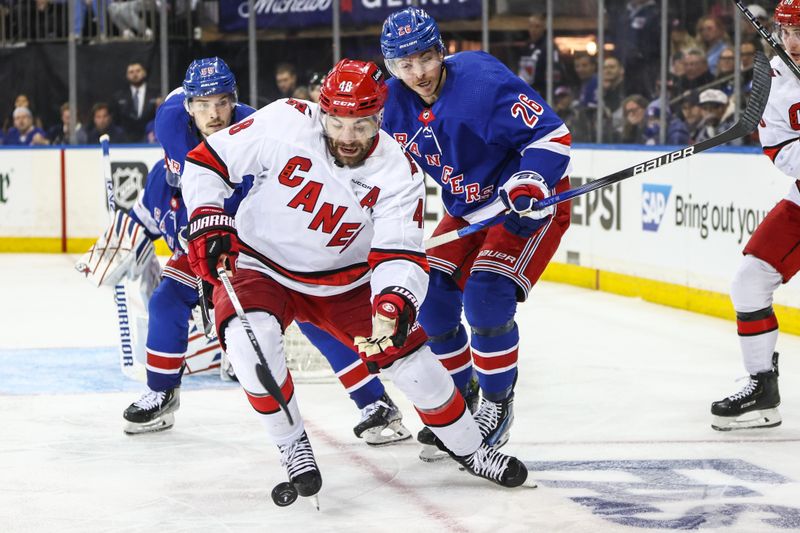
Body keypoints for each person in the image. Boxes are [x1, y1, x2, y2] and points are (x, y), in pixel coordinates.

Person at [181, 59, 529, 500]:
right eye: (337, 123)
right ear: (320, 111)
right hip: (259, 264)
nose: (347, 137)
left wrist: (392, 303)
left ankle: (473, 450)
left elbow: (399, 252)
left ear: (379, 118)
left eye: (361, 125)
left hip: (346, 284)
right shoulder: (285, 120)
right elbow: (206, 163)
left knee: (419, 371)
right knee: (252, 351)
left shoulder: (398, 172)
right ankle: (293, 448)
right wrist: (208, 216)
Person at [83, 58, 409, 444]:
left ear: (234, 100)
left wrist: (220, 245)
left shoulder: (255, 126)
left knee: (311, 315)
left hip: (257, 236)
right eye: (202, 104)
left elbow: (262, 201)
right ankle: (161, 392)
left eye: (222, 102)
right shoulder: (170, 124)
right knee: (167, 298)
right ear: (188, 106)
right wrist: (126, 239)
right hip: (204, 235)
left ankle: (374, 402)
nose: (214, 114)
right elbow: (148, 212)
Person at [379, 7, 572, 459]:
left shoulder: (483, 81)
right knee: (432, 303)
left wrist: (530, 180)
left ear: (441, 50)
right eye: (405, 64)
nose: (419, 72)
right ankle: (462, 398)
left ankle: (496, 404)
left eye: (425, 58)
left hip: (526, 203)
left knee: (485, 299)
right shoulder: (390, 103)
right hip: (466, 209)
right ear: (392, 67)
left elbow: (552, 135)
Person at [711, 0, 800, 431]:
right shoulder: (776, 78)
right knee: (749, 279)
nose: (795, 42)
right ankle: (763, 389)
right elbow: (779, 150)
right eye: (788, 31)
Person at [112, 61, 159, 142]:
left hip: (151, 140)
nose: (135, 74)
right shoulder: (119, 97)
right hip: (125, 141)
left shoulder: (157, 94)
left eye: (138, 71)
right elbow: (116, 120)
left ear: (144, 73)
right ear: (127, 76)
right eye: (131, 72)